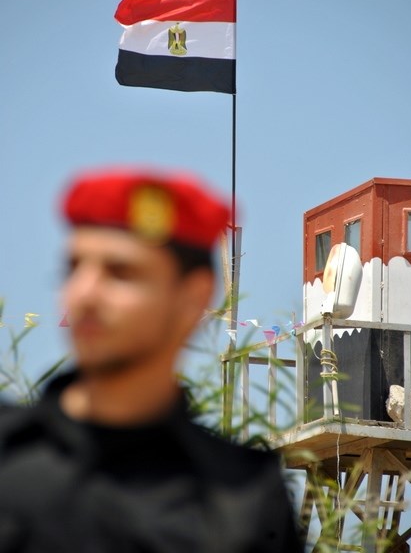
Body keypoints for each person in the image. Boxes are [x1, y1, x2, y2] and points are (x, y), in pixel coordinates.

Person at [0, 168, 303, 552]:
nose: (84, 293)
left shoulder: (241, 501)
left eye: (120, 272)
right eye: (73, 267)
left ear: (192, 298)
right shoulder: (9, 455)